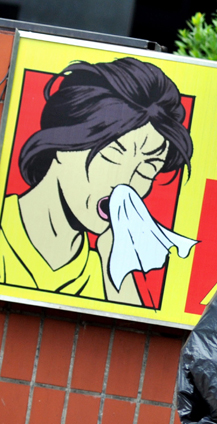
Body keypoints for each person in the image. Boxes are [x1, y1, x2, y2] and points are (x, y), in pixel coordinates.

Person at [0, 57, 193, 305]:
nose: (125, 185)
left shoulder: (103, 274)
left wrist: (119, 266)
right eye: (114, 153)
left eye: (148, 168)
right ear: (63, 143)